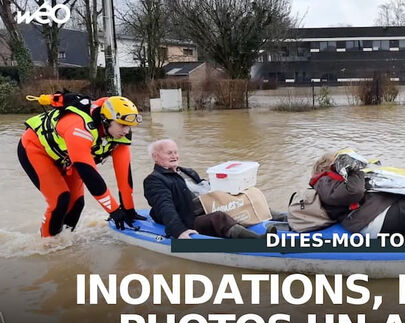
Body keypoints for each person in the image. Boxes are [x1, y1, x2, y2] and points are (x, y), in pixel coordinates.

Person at [17, 92, 145, 237]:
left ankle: (66, 242)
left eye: (129, 126)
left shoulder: (122, 131)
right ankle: (47, 247)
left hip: (68, 157)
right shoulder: (79, 128)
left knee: (77, 204)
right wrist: (114, 211)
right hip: (35, 149)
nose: (127, 131)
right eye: (122, 125)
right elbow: (91, 177)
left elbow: (124, 175)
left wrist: (129, 210)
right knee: (60, 200)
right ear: (106, 120)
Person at [143, 139, 280, 239]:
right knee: (219, 217)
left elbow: (207, 187)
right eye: (169, 153)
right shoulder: (154, 180)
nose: (174, 156)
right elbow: (165, 207)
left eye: (175, 152)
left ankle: (287, 219)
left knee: (248, 198)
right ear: (155, 157)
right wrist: (179, 231)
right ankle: (258, 241)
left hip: (208, 205)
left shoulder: (187, 171)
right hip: (189, 217)